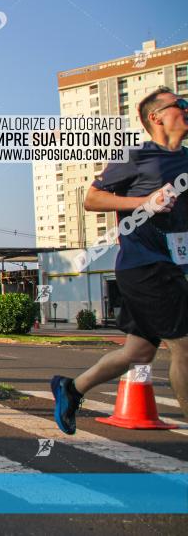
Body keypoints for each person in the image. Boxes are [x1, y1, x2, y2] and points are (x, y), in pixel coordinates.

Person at [51, 87, 188, 434]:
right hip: (146, 265)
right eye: (180, 104)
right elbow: (93, 199)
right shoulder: (139, 156)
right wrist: (145, 201)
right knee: (185, 345)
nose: (187, 108)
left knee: (138, 353)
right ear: (156, 116)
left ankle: (71, 388)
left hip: (175, 266)